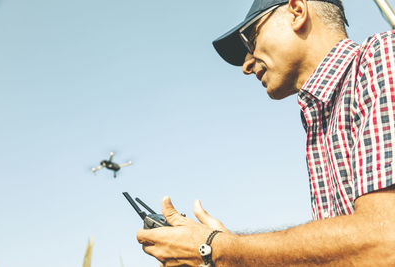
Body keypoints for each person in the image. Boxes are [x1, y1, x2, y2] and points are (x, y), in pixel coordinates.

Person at [137, 0, 395, 265]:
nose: (247, 65)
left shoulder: (383, 56)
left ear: (296, 11)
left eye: (251, 39)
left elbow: (386, 242)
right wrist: (234, 256)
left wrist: (218, 248)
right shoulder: (320, 119)